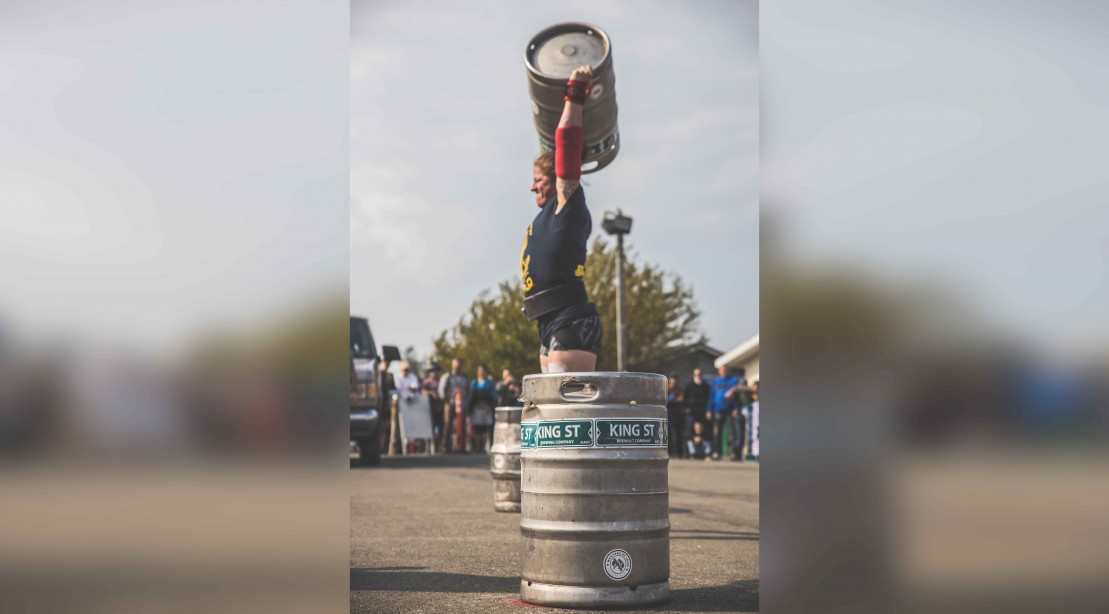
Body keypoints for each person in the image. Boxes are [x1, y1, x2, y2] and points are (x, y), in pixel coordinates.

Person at [520, 65, 602, 374]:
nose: (532, 186)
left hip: (571, 317)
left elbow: (567, 147)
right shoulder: (542, 220)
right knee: (551, 409)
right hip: (546, 320)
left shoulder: (567, 204)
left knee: (567, 407)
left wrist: (574, 95)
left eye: (537, 179)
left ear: (555, 179)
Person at [705, 365, 740, 461]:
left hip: (729, 410)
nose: (723, 371)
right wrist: (708, 410)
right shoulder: (715, 382)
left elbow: (736, 397)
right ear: (719, 371)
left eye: (725, 369)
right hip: (717, 410)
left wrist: (736, 408)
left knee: (732, 433)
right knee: (717, 433)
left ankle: (733, 453)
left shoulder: (733, 381)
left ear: (727, 370)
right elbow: (711, 397)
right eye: (721, 370)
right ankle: (716, 452)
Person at [438, 358, 469, 453]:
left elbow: (468, 390)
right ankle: (445, 446)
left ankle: (461, 447)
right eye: (455, 365)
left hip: (462, 404)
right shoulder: (447, 376)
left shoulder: (465, 377)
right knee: (448, 425)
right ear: (452, 365)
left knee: (462, 425)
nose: (457, 367)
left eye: (459, 365)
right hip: (450, 403)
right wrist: (446, 400)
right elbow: (441, 390)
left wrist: (466, 401)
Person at [467, 364, 496, 452]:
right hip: (476, 407)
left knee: (484, 429)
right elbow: (471, 396)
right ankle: (476, 447)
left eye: (482, 370)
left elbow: (493, 395)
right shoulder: (474, 382)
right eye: (479, 370)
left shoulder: (489, 383)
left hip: (486, 407)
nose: (481, 372)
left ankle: (483, 447)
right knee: (477, 428)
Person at [727, 368, 750, 462]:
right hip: (736, 417)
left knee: (742, 437)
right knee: (735, 436)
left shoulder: (748, 394)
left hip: (745, 417)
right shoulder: (735, 394)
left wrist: (743, 388)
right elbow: (727, 396)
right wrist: (734, 388)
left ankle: (739, 454)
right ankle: (734, 453)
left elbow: (754, 388)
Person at [683, 368, 711, 448]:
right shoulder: (689, 386)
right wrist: (687, 409)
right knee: (689, 431)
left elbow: (709, 399)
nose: (698, 376)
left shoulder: (706, 387)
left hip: (703, 412)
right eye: (696, 375)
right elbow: (685, 399)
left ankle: (707, 451)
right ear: (693, 375)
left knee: (705, 431)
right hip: (691, 413)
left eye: (699, 374)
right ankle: (690, 451)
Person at [422, 363, 443, 451]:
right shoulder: (426, 382)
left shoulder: (440, 381)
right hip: (430, 408)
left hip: (440, 407)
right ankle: (428, 446)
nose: (434, 373)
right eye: (432, 371)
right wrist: (431, 393)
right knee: (430, 426)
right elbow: (422, 391)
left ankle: (440, 445)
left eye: (435, 371)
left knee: (441, 427)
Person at [666, 374, 686, 459]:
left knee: (678, 434)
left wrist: (672, 400)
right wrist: (675, 400)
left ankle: (679, 453)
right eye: (672, 380)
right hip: (667, 414)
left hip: (677, 414)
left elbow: (681, 399)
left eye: (675, 380)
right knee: (668, 434)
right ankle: (669, 452)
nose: (673, 382)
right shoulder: (666, 389)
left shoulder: (679, 389)